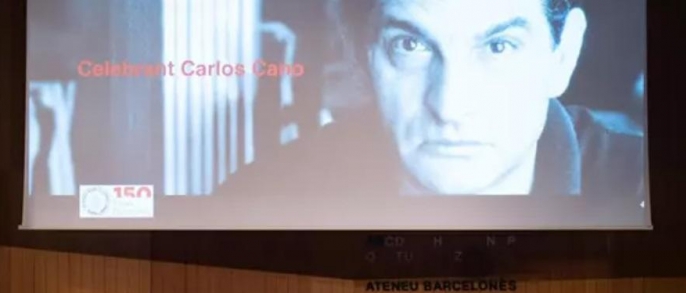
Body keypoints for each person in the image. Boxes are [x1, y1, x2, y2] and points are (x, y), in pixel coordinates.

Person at [217, 0, 644, 209]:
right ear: (360, 58)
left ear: (563, 55)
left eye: (499, 46)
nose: (450, 105)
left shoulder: (640, 185)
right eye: (410, 44)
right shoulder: (256, 198)